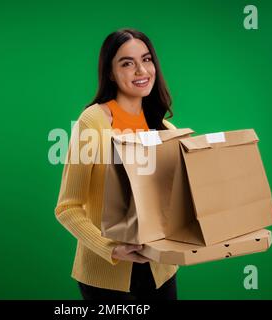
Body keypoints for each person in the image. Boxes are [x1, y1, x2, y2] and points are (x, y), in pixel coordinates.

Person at [54, 28, 179, 300]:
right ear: (110, 73)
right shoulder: (92, 123)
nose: (141, 70)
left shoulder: (166, 128)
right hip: (106, 279)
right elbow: (67, 208)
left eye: (146, 60)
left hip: (162, 272)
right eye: (127, 63)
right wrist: (111, 248)